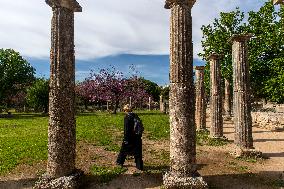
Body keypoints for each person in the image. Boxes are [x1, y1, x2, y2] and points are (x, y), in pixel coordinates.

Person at [116, 104, 143, 170]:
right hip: (137, 137)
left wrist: (126, 139)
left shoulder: (127, 117)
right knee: (138, 152)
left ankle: (119, 162)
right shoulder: (135, 116)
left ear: (125, 110)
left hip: (129, 137)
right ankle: (139, 166)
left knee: (123, 150)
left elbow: (126, 129)